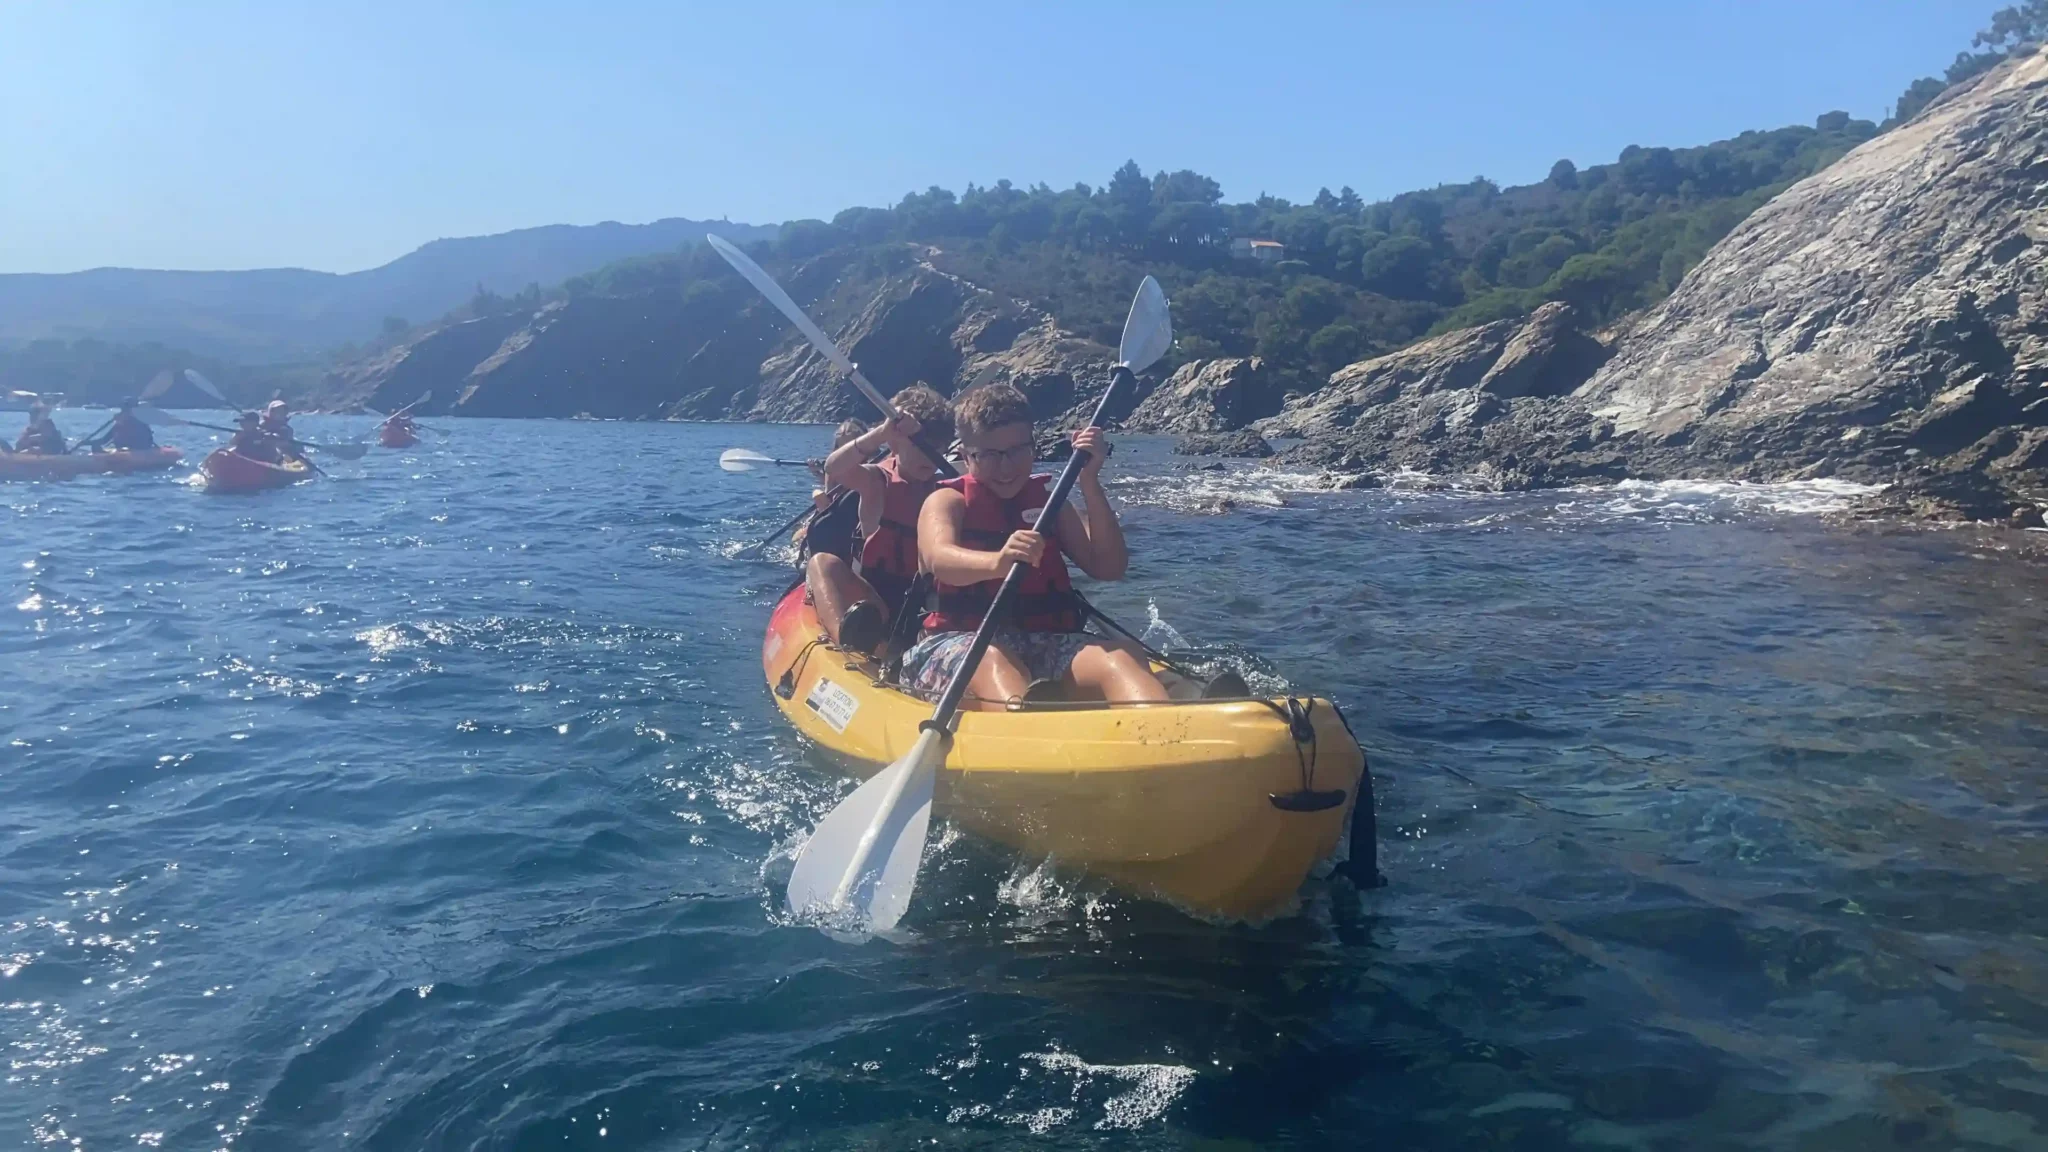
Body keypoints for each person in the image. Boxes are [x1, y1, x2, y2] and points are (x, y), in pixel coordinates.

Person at [903, 383, 1167, 707]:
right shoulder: (946, 501)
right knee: (991, 660)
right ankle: (1022, 721)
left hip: (1044, 641)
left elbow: (1109, 567)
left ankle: (1163, 728)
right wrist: (997, 562)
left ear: (1033, 446)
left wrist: (1089, 481)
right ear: (966, 455)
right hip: (958, 642)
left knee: (1121, 658)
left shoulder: (1051, 506)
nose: (1006, 467)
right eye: (989, 455)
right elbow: (939, 559)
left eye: (1017, 450)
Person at [805, 385, 954, 655]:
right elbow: (834, 468)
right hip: (872, 602)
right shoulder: (875, 481)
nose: (929, 457)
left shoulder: (949, 489)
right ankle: (847, 642)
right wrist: (881, 433)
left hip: (923, 606)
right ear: (895, 444)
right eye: (921, 446)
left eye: (938, 449)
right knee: (822, 564)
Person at [792, 419, 867, 563]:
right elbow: (831, 492)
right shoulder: (832, 468)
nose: (846, 453)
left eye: (851, 447)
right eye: (842, 448)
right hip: (838, 515)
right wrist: (818, 474)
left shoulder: (875, 465)